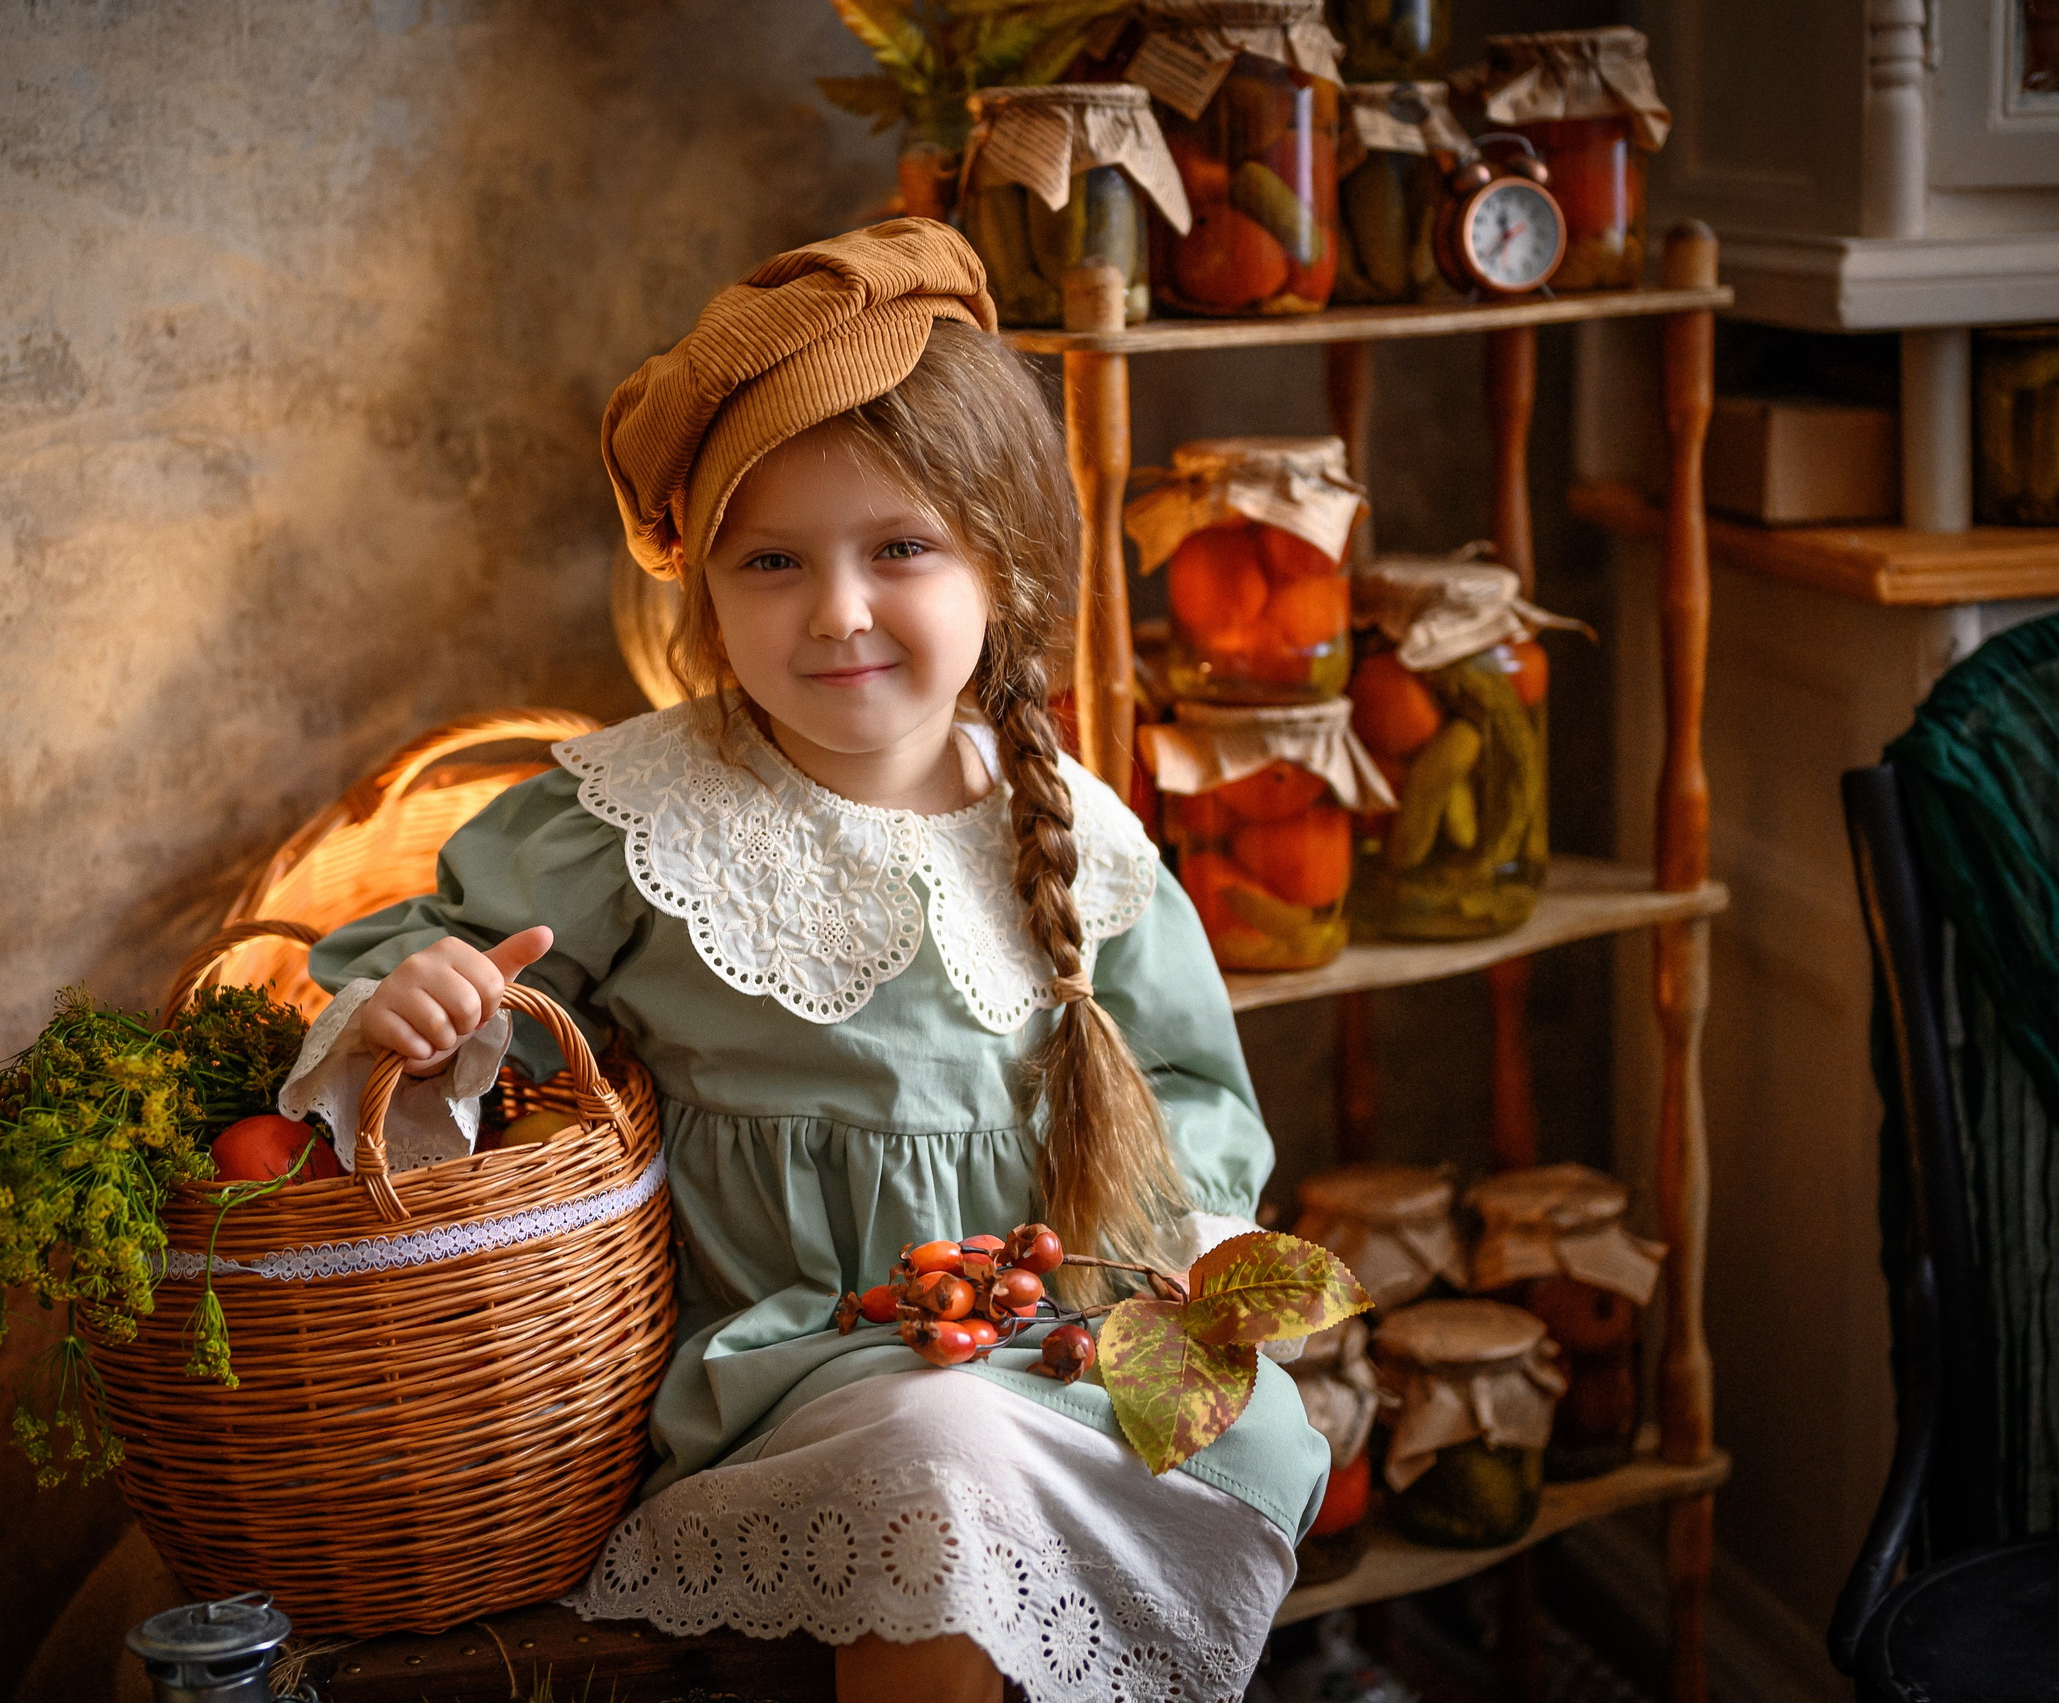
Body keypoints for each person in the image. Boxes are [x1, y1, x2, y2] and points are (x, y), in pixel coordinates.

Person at [288, 219, 1327, 1703]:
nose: (838, 612)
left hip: (1059, 1335)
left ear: (1001, 566)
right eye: (772, 561)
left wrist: (1187, 1256)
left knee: (1071, 1456)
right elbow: (447, 982)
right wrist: (429, 1008)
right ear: (705, 592)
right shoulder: (640, 814)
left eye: (899, 548)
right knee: (940, 1460)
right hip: (800, 1362)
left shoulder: (1078, 835)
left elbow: (1191, 1092)